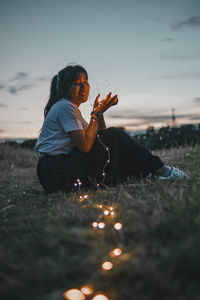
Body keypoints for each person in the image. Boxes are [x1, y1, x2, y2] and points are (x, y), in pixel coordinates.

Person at [34, 64, 188, 193]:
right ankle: (162, 171)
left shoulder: (71, 109)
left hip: (57, 173)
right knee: (116, 134)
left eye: (85, 81)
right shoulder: (65, 107)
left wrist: (99, 114)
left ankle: (153, 172)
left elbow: (99, 138)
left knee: (113, 141)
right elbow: (86, 146)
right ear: (64, 89)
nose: (83, 86)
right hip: (55, 172)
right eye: (76, 83)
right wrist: (95, 114)